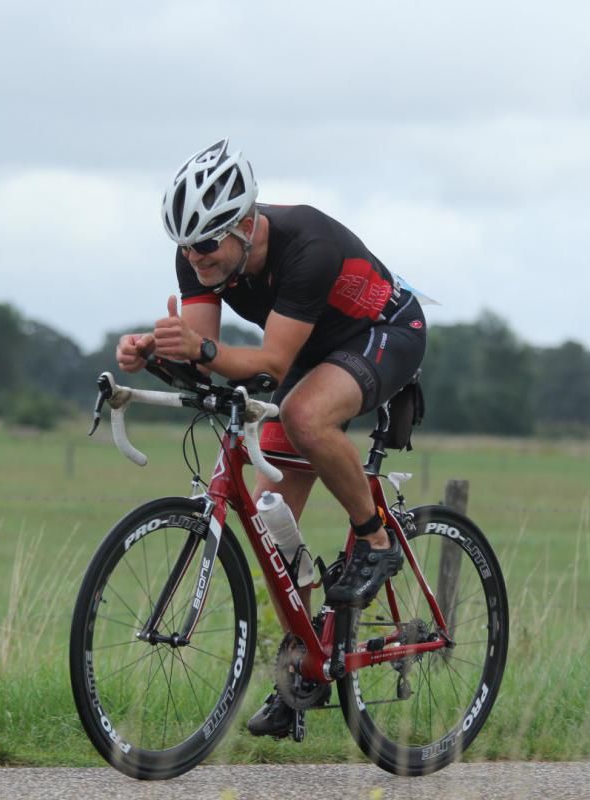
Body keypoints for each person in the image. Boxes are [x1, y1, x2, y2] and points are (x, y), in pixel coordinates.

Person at [115, 138, 428, 738]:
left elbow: (272, 364)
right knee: (270, 517)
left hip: (385, 331)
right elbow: (209, 358)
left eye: (207, 244)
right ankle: (302, 669)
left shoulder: (304, 245)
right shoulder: (199, 257)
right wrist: (153, 352)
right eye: (185, 246)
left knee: (307, 418)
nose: (195, 259)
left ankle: (375, 539)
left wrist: (203, 349)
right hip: (316, 347)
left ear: (244, 225)